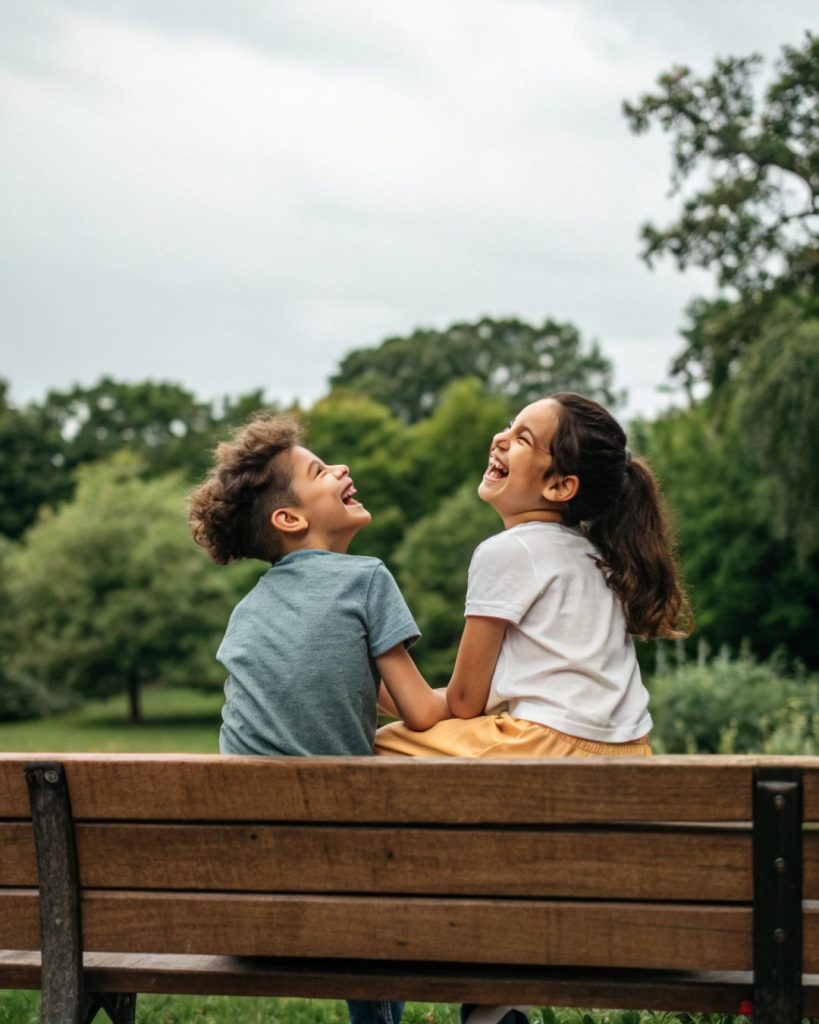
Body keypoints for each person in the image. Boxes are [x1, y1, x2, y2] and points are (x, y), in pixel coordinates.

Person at [189, 411, 445, 1024]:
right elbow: (421, 710)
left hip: (254, 891)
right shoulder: (366, 579)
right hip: (345, 878)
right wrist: (499, 691)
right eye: (320, 469)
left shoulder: (248, 613)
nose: (343, 469)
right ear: (290, 518)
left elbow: (332, 688)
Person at [376, 390, 691, 760]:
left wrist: (371, 678)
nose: (500, 438)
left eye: (522, 438)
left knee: (374, 746)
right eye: (510, 426)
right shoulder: (598, 555)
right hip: (629, 750)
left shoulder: (509, 550)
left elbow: (465, 702)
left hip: (542, 744)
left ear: (559, 485)